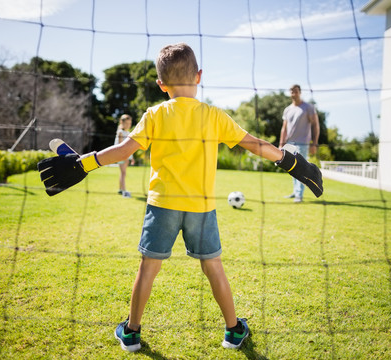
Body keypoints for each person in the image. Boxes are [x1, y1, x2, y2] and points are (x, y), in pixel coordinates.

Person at [39, 43, 322, 352]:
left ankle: (131, 332)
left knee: (148, 268)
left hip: (162, 206)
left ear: (161, 84)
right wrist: (293, 162)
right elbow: (255, 144)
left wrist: (85, 163)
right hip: (201, 208)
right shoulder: (215, 115)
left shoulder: (154, 114)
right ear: (198, 76)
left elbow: (122, 151)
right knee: (213, 267)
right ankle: (233, 330)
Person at [278, 84, 320, 203]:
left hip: (303, 143)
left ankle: (299, 195)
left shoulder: (308, 107)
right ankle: (295, 191)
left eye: (296, 91)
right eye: (291, 91)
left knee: (301, 168)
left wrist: (314, 143)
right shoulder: (288, 109)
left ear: (300, 92)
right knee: (292, 168)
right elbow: (284, 128)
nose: (293, 93)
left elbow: (315, 125)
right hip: (290, 143)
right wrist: (281, 143)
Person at [115, 114, 135, 198]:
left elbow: (130, 146)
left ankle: (120, 189)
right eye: (126, 123)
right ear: (122, 122)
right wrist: (125, 155)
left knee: (123, 173)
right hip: (121, 155)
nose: (128, 125)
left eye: (129, 123)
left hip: (127, 155)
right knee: (123, 173)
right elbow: (120, 146)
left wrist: (132, 157)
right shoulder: (120, 132)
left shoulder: (129, 133)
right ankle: (124, 191)